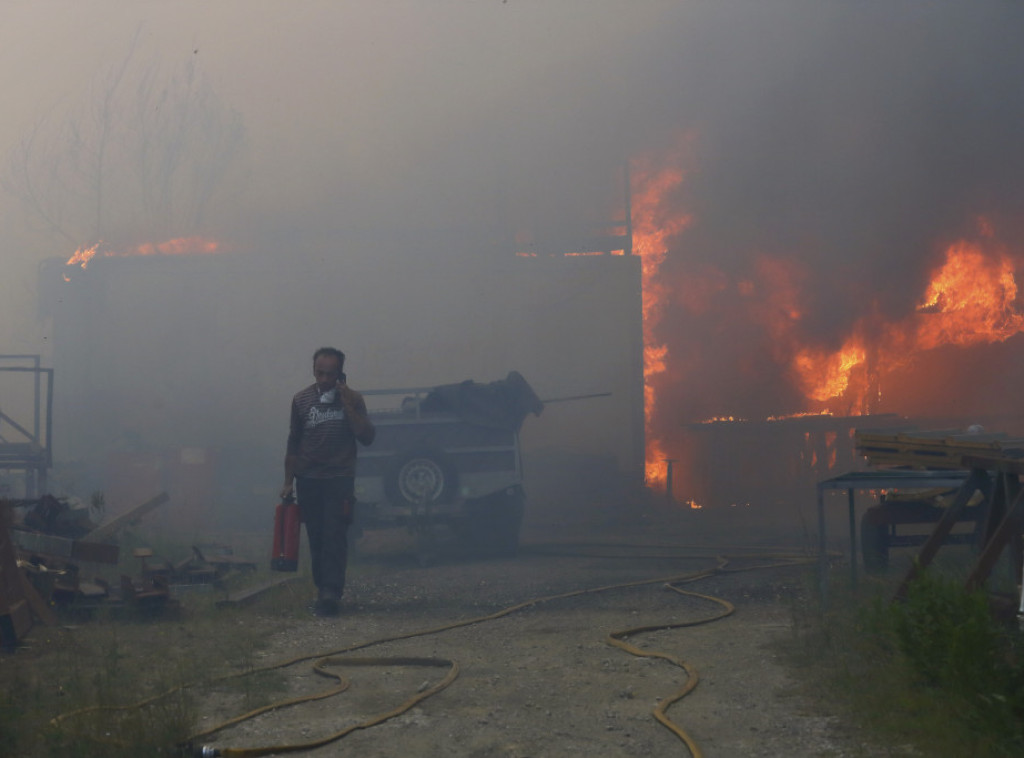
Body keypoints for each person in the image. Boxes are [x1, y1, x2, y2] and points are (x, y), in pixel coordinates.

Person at [281, 347, 375, 616]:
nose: (324, 379)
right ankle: (322, 587)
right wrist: (288, 480)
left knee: (335, 535)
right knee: (317, 537)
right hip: (309, 479)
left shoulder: (354, 399)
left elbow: (367, 436)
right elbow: (293, 441)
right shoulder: (301, 400)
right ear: (313, 370)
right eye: (319, 373)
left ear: (340, 373)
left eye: (330, 374)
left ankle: (331, 592)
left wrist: (347, 405)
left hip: (339, 479)